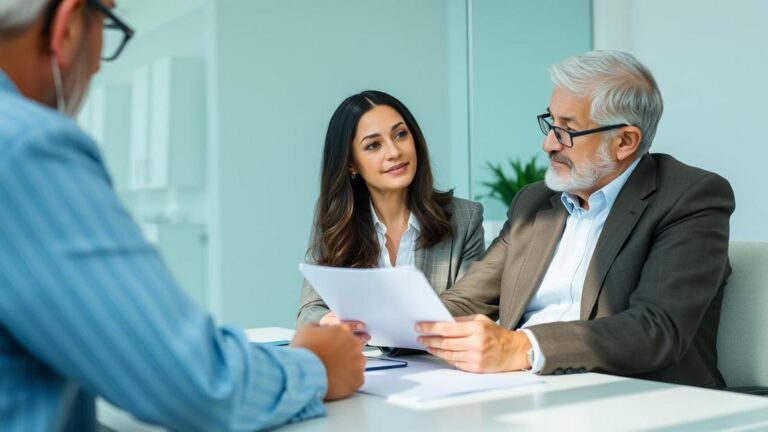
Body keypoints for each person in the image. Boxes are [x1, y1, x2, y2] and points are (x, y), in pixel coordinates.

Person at [0, 1, 365, 430]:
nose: (97, 65)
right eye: (107, 24)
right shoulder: (28, 146)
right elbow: (192, 381)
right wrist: (314, 366)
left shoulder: (463, 217)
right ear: (67, 25)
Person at [416, 50, 735, 388]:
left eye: (567, 130)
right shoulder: (535, 201)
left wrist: (521, 347)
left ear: (625, 141)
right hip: (520, 388)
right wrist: (392, 323)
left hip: (635, 396)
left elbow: (656, 328)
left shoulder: (689, 197)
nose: (548, 144)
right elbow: (469, 299)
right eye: (551, 123)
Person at [297, 90, 485, 329]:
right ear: (351, 163)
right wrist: (330, 322)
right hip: (365, 362)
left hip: (437, 362)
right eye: (374, 145)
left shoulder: (465, 218)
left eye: (400, 134)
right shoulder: (336, 216)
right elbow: (308, 310)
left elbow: (473, 309)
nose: (395, 152)